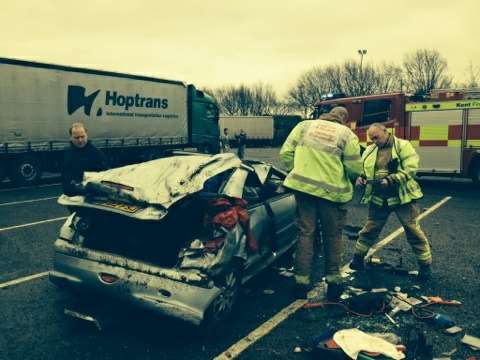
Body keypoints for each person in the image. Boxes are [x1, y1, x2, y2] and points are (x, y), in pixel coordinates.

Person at [280, 107, 362, 300]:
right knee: (332, 236)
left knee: (305, 234)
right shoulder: (346, 134)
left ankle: (301, 283)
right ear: (343, 119)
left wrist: (298, 171)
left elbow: (285, 153)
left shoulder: (303, 126)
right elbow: (354, 167)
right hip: (331, 195)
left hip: (303, 191)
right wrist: (349, 178)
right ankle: (333, 284)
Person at [351, 123, 432, 281]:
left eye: (377, 137)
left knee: (413, 231)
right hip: (379, 198)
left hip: (403, 198)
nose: (375, 141)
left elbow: (411, 168)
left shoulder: (403, 146)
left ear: (385, 132)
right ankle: (357, 259)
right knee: (369, 229)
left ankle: (425, 267)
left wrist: (392, 179)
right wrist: (361, 178)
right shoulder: (369, 151)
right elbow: (364, 170)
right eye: (372, 138)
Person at [62, 122, 109, 196]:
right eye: (76, 137)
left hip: (91, 194)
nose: (80, 140)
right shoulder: (67, 153)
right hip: (73, 195)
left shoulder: (96, 153)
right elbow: (65, 176)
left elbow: (105, 174)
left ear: (87, 135)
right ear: (71, 137)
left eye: (82, 136)